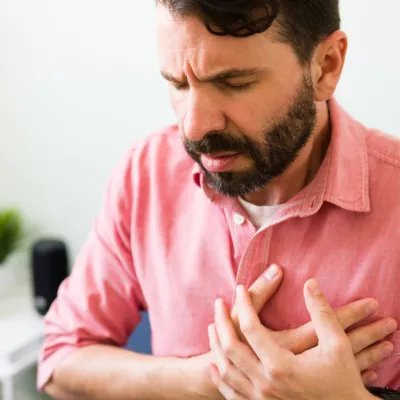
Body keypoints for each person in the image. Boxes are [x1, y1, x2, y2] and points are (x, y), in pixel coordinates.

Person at [38, 0, 400, 399]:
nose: (194, 126)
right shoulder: (146, 174)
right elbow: (60, 362)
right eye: (177, 84)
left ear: (326, 65)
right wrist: (215, 378)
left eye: (233, 82)